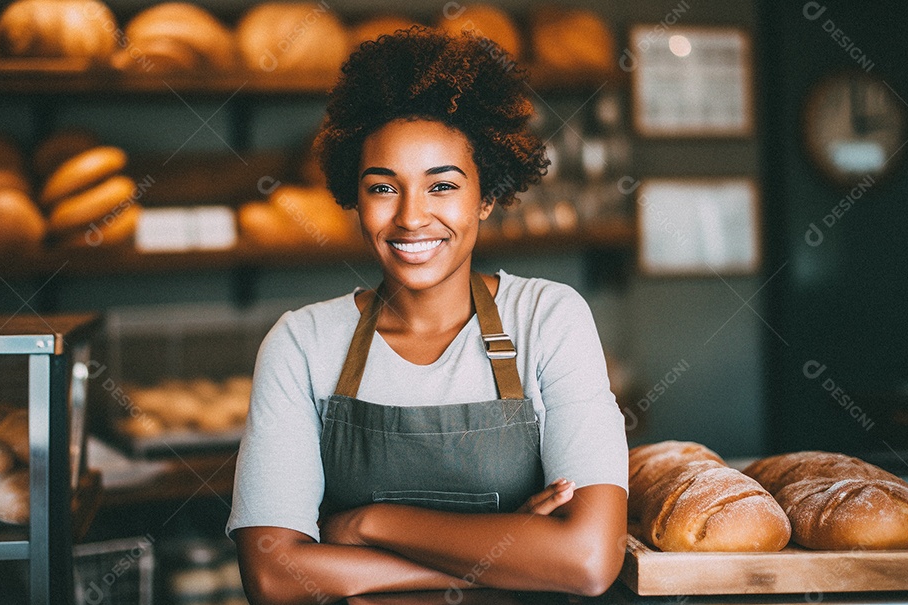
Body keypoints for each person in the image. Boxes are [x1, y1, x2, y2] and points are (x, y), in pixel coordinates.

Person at [227, 27, 628, 603]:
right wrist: (510, 551)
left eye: (442, 186)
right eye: (383, 187)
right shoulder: (302, 342)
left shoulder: (549, 318)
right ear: (355, 198)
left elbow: (588, 562)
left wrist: (367, 525)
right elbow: (273, 578)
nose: (412, 217)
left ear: (486, 197)